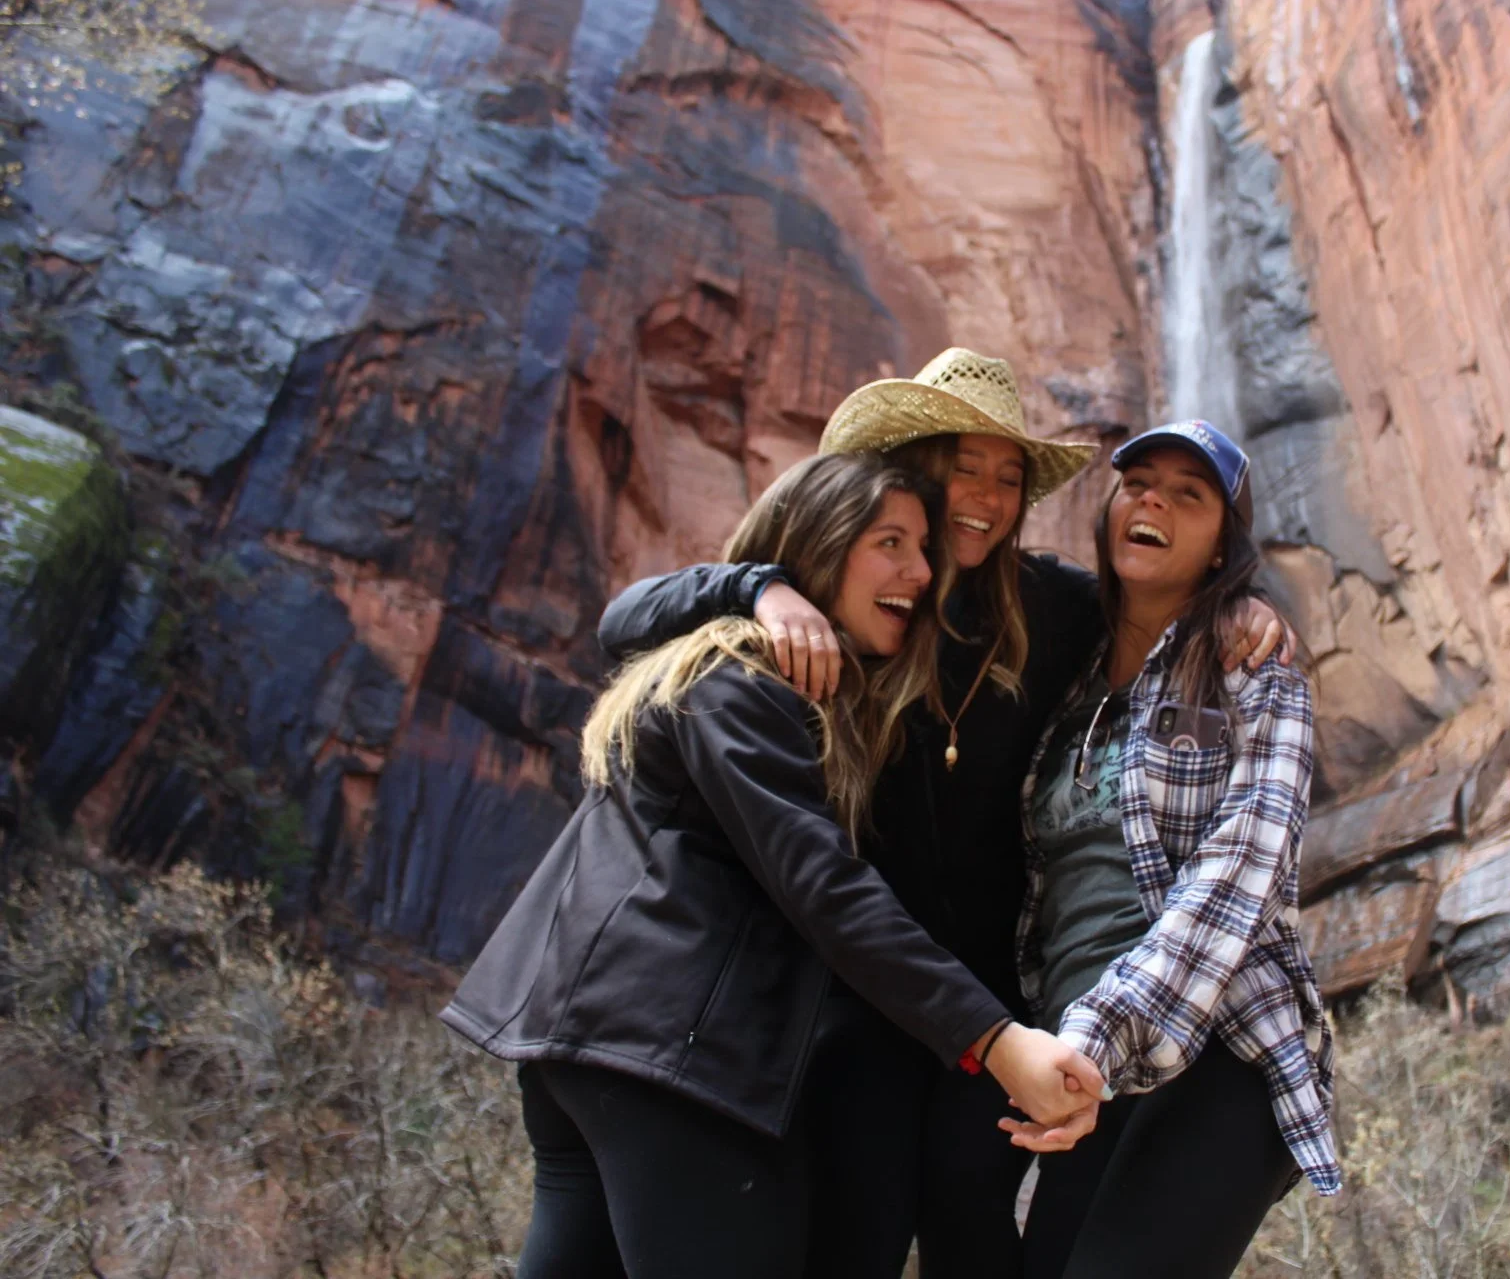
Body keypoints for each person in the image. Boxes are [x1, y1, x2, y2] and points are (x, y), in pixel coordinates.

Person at [598, 349, 1291, 1279]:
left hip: (1001, 1004)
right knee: (860, 1235)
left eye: (1009, 478)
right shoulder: (851, 594)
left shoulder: (1051, 607)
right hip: (865, 999)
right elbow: (624, 622)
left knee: (972, 1224)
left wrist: (1242, 605)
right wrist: (753, 586)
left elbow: (1159, 595)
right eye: (966, 467)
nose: (988, 499)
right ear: (914, 466)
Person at [440, 451, 1104, 1279]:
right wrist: (997, 1041)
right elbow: (823, 888)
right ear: (820, 546)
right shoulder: (743, 681)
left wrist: (1227, 601)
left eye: (923, 548)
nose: (920, 571)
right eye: (889, 543)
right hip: (671, 1057)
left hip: (592, 1051)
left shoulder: (746, 672)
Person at [1004, 420, 1341, 1279]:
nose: (1152, 501)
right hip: (1079, 1063)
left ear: (1223, 544)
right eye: (1138, 483)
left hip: (1218, 1045)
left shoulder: (1255, 668)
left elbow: (1244, 869)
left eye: (1188, 495)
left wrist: (1095, 1037)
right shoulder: (1067, 674)